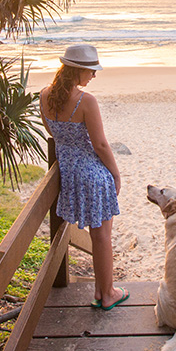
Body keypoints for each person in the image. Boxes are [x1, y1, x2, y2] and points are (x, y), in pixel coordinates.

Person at [39, 44, 128, 310]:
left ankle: (102, 292)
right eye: (91, 71)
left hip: (70, 172)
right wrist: (115, 173)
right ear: (78, 71)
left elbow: (55, 135)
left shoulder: (44, 95)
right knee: (102, 237)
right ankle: (107, 293)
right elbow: (100, 145)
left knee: (97, 236)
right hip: (92, 173)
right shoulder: (86, 101)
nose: (94, 76)